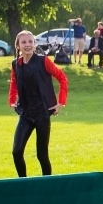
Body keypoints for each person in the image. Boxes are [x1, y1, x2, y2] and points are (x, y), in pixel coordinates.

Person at [8, 30, 68, 177]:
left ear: (34, 44)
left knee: (42, 155)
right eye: (24, 42)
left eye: (30, 41)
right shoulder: (16, 64)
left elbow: (62, 78)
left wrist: (60, 102)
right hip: (26, 114)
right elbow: (14, 83)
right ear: (18, 46)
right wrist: (12, 100)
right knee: (16, 152)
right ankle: (23, 183)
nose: (27, 45)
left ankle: (47, 185)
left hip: (43, 113)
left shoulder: (43, 61)